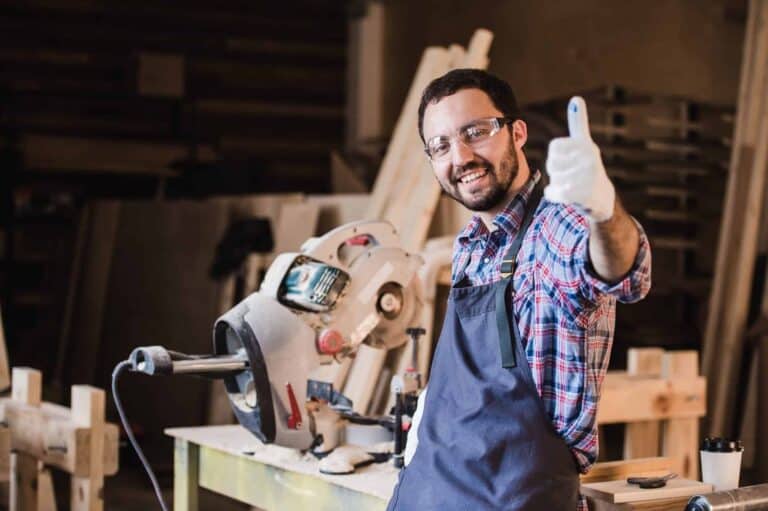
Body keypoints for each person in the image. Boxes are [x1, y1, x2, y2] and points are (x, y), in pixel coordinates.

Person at [386, 69, 651, 510]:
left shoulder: (556, 227)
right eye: (442, 145)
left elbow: (627, 272)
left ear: (517, 132)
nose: (462, 156)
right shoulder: (472, 244)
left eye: (476, 132)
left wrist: (601, 210)